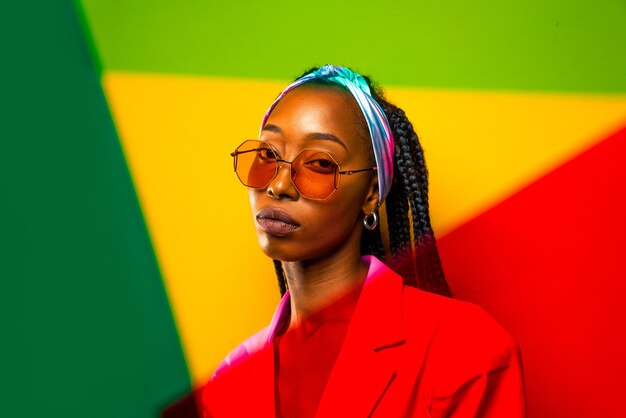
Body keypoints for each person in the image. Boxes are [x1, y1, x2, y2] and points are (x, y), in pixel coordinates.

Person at [202, 65, 527, 417]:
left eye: (319, 163)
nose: (278, 185)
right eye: (268, 154)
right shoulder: (227, 384)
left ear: (371, 194)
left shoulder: (465, 350)